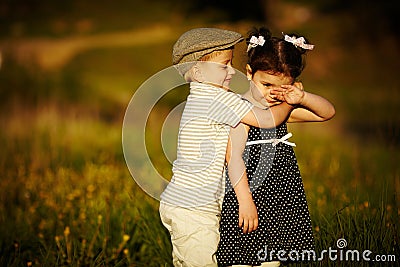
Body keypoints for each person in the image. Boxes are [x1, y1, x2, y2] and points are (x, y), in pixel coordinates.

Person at [159, 27, 300, 267]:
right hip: (194, 207)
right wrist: (290, 101)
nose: (230, 72)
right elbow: (268, 119)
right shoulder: (216, 98)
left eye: (231, 64)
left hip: (189, 204)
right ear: (197, 72)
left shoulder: (199, 98)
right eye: (224, 66)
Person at [216, 27, 335, 267]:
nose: (273, 93)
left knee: (273, 258)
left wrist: (301, 98)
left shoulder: (282, 110)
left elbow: (327, 113)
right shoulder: (242, 110)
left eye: (282, 87)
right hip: (248, 194)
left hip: (281, 196)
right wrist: (245, 201)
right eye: (267, 84)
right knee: (242, 255)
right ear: (249, 73)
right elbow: (234, 158)